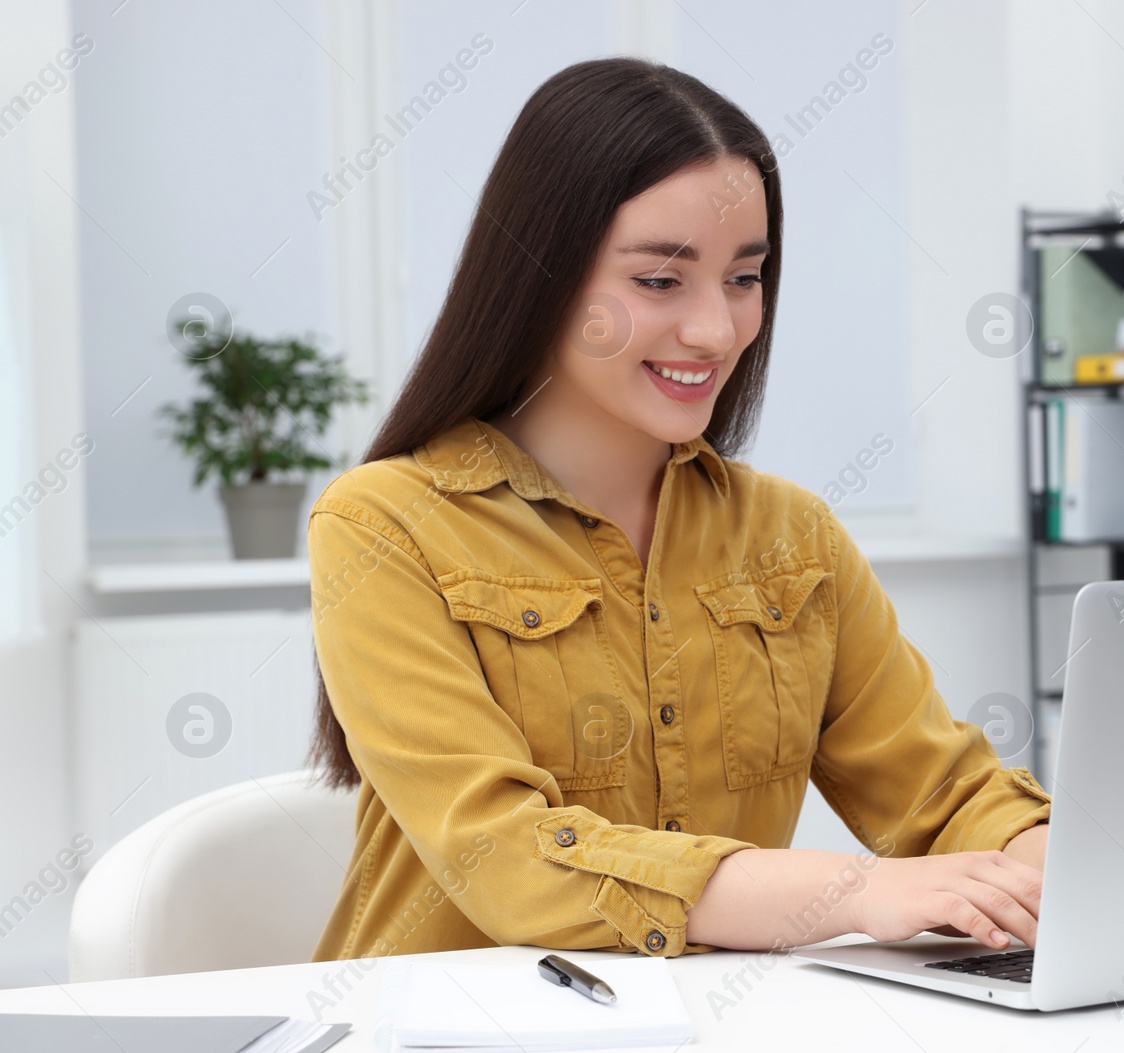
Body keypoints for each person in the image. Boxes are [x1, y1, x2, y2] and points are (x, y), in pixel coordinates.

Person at [305, 56, 1049, 966]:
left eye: (745, 277)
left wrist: (1046, 865)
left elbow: (944, 795)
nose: (717, 329)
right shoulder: (383, 524)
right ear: (539, 271)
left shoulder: (792, 538)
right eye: (661, 280)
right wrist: (852, 892)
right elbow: (501, 852)